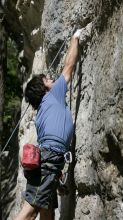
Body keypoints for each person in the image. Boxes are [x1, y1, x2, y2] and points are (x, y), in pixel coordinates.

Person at [15, 29, 82, 220]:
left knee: (47, 212)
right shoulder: (53, 94)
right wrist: (75, 37)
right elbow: (69, 66)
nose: (53, 79)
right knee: (30, 211)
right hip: (50, 159)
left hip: (49, 160)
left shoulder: (41, 113)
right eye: (48, 79)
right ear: (45, 88)